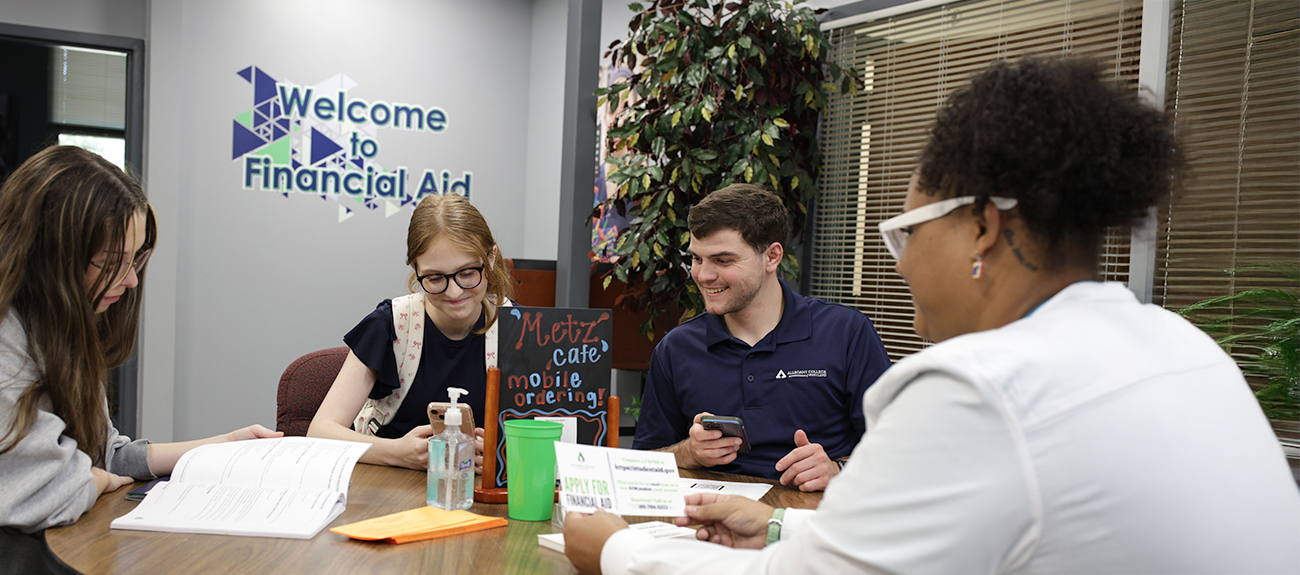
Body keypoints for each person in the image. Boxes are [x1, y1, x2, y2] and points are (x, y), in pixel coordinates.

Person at [565, 56, 1300, 574]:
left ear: (982, 227)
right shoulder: (1182, 346)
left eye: (907, 232)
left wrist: (618, 549)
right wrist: (783, 522)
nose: (900, 262)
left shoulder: (981, 386)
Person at [0, 146, 282, 536]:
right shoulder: (8, 340)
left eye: (135, 260)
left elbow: (103, 454)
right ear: (51, 255)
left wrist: (227, 445)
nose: (131, 280)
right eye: (113, 261)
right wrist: (97, 481)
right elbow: (42, 494)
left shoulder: (60, 329)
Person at [632, 184, 891, 491]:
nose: (703, 275)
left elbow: (900, 450)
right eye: (698, 259)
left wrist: (840, 470)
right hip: (707, 521)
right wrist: (689, 452)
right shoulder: (676, 348)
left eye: (723, 260)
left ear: (772, 257)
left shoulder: (845, 332)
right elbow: (642, 465)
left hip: (813, 520)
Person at [308, 193, 514, 472]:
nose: (454, 292)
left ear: (491, 258)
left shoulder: (520, 328)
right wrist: (395, 452)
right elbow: (321, 431)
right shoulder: (390, 325)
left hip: (478, 495)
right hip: (385, 490)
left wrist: (501, 453)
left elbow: (557, 437)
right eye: (435, 278)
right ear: (415, 270)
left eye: (467, 273)